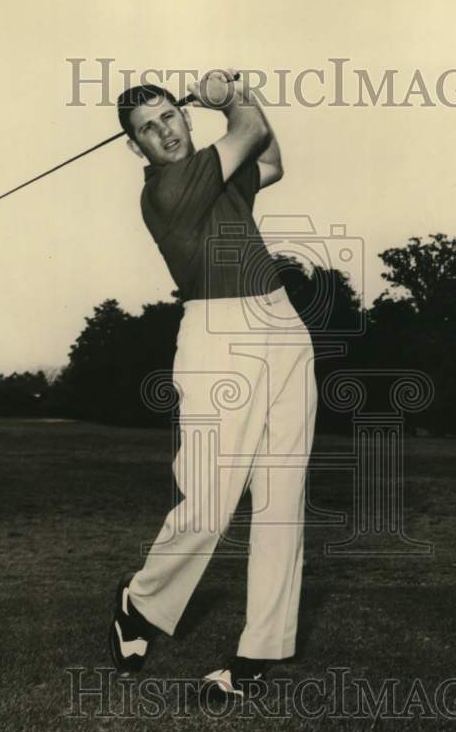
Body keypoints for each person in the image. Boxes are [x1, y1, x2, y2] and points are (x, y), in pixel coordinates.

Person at [109, 68, 317, 698]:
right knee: (207, 503)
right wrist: (232, 99)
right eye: (147, 129)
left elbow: (272, 158)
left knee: (282, 501)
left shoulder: (217, 174)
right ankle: (139, 603)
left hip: (282, 324)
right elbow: (250, 130)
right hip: (218, 337)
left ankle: (257, 658)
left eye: (169, 116)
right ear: (135, 147)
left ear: (185, 117)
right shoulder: (170, 186)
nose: (164, 132)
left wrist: (239, 96)